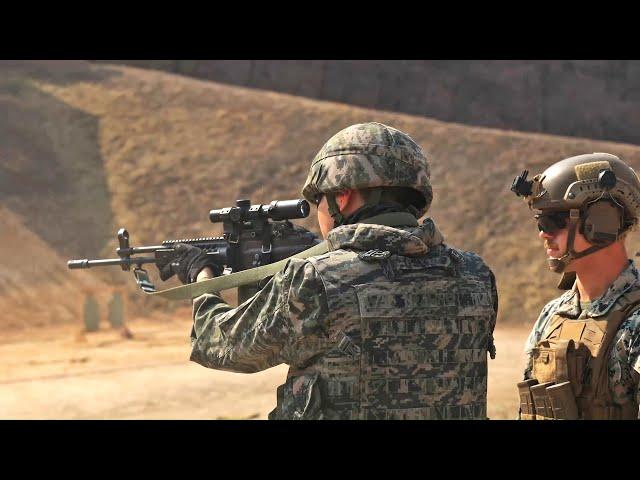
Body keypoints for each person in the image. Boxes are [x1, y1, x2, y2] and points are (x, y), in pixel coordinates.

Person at [160, 122, 497, 420]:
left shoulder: (316, 280)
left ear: (343, 195)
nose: (319, 210)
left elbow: (222, 344)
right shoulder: (475, 275)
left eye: (320, 199)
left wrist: (202, 276)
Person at [512, 152, 640, 420]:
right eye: (540, 221)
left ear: (604, 221)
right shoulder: (552, 315)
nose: (543, 233)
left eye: (555, 220)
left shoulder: (636, 324)